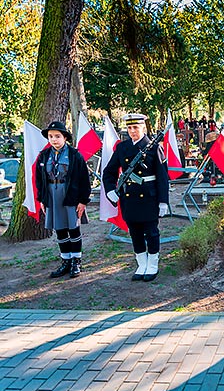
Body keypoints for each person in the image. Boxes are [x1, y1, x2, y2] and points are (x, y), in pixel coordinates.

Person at [103, 113, 169, 282]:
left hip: (148, 197)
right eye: (130, 128)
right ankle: (141, 264)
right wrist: (110, 190)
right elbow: (109, 172)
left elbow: (162, 177)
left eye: (136, 127)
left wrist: (163, 201)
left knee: (152, 233)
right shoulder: (122, 147)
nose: (132, 131)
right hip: (129, 197)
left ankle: (153, 264)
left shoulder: (154, 147)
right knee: (135, 233)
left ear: (143, 128)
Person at [35, 121, 91, 278]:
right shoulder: (44, 155)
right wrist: (42, 199)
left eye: (57, 136)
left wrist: (83, 201)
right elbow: (40, 179)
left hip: (70, 196)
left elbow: (84, 180)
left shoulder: (74, 155)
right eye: (51, 136)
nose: (54, 140)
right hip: (52, 196)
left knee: (73, 229)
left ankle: (76, 261)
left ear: (65, 137)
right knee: (59, 230)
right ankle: (65, 261)